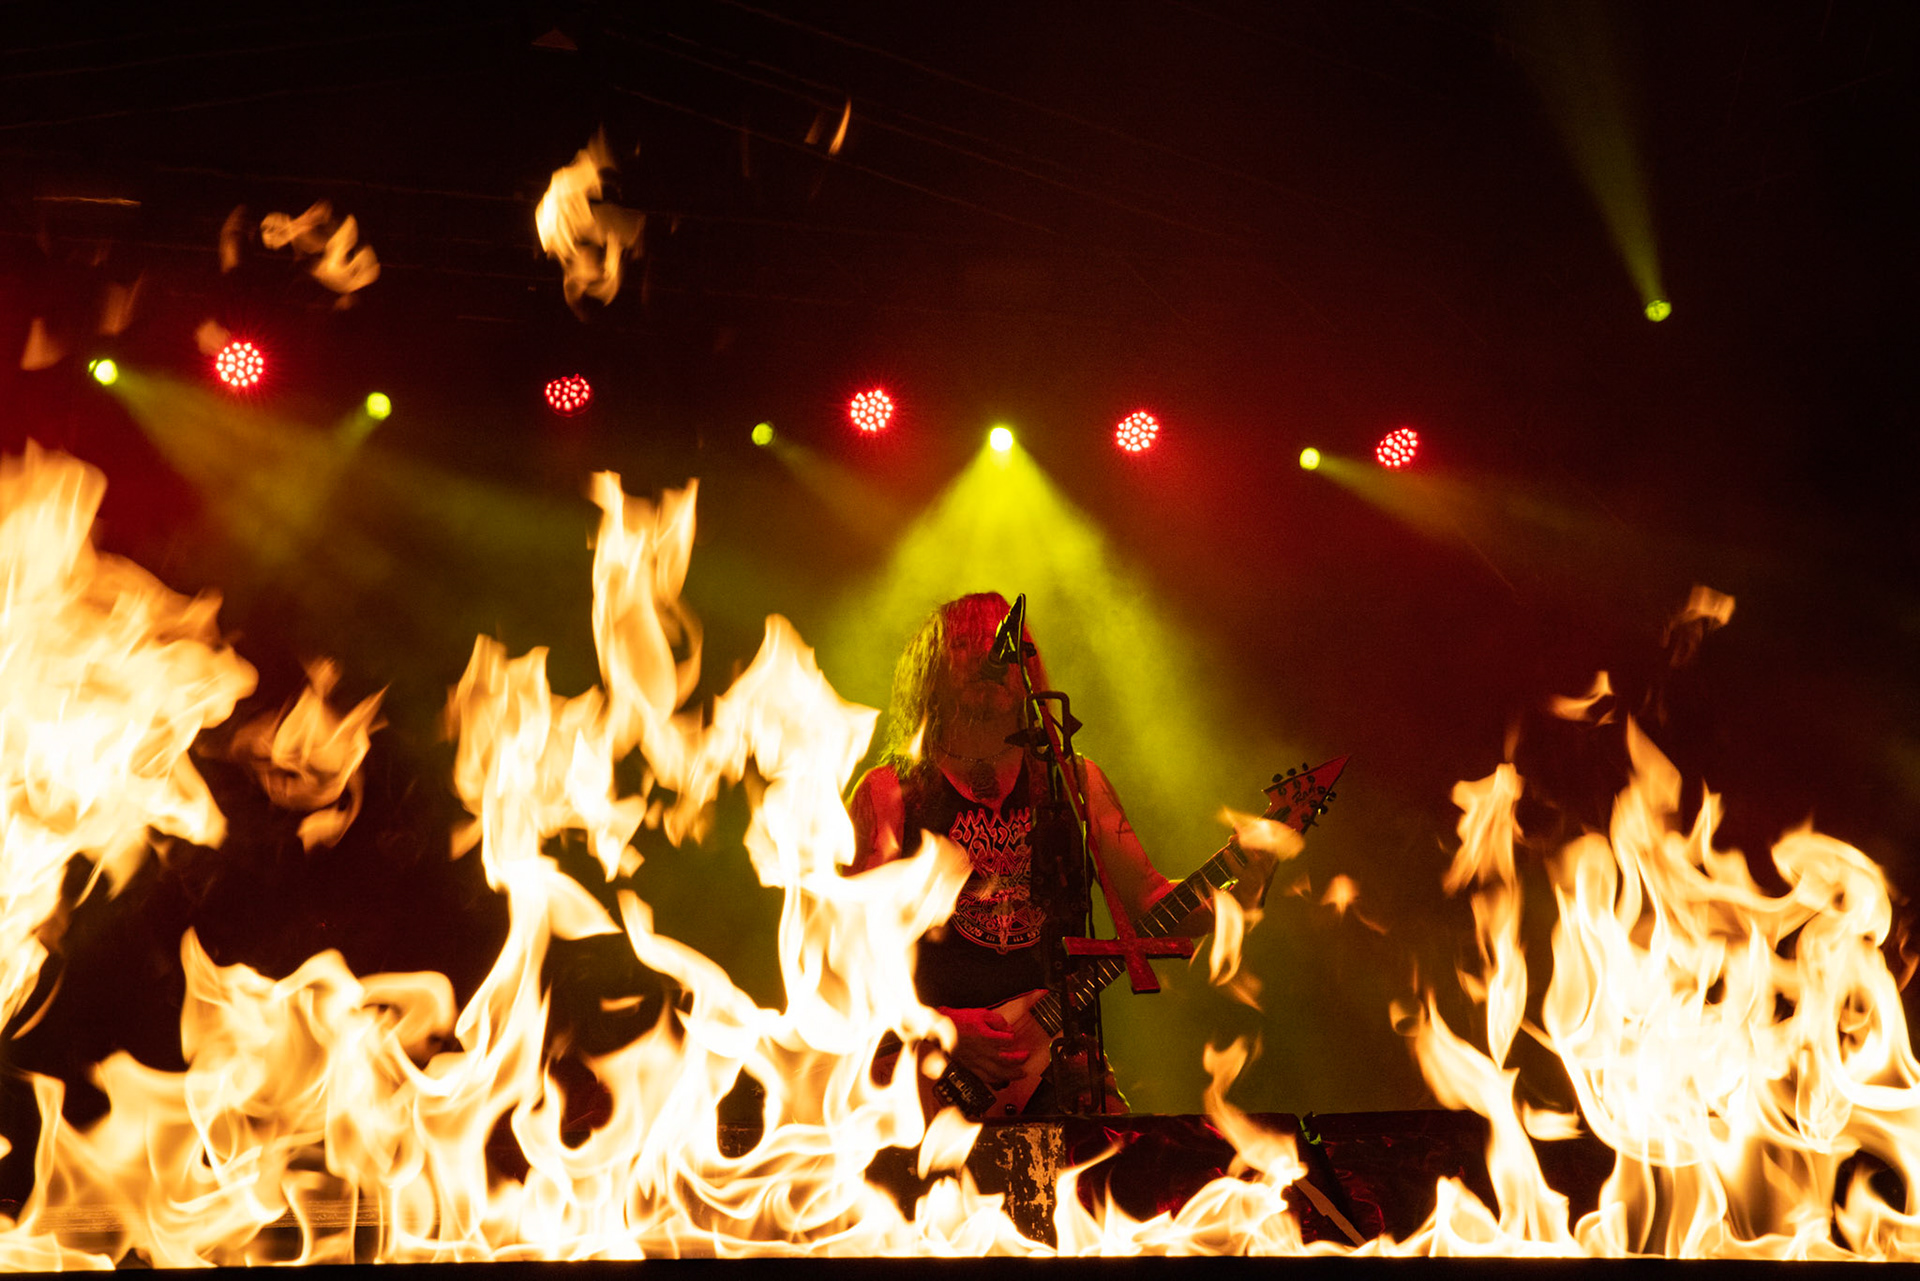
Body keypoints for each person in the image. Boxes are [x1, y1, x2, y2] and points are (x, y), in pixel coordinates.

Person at [847, 592, 1276, 1115]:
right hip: (926, 1068)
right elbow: (846, 951)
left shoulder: (1074, 781)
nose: (990, 655)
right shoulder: (890, 793)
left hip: (1062, 1054)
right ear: (931, 669)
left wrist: (1243, 883)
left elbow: (1150, 898)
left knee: (1122, 1176)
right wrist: (945, 1026)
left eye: (1008, 644)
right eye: (965, 643)